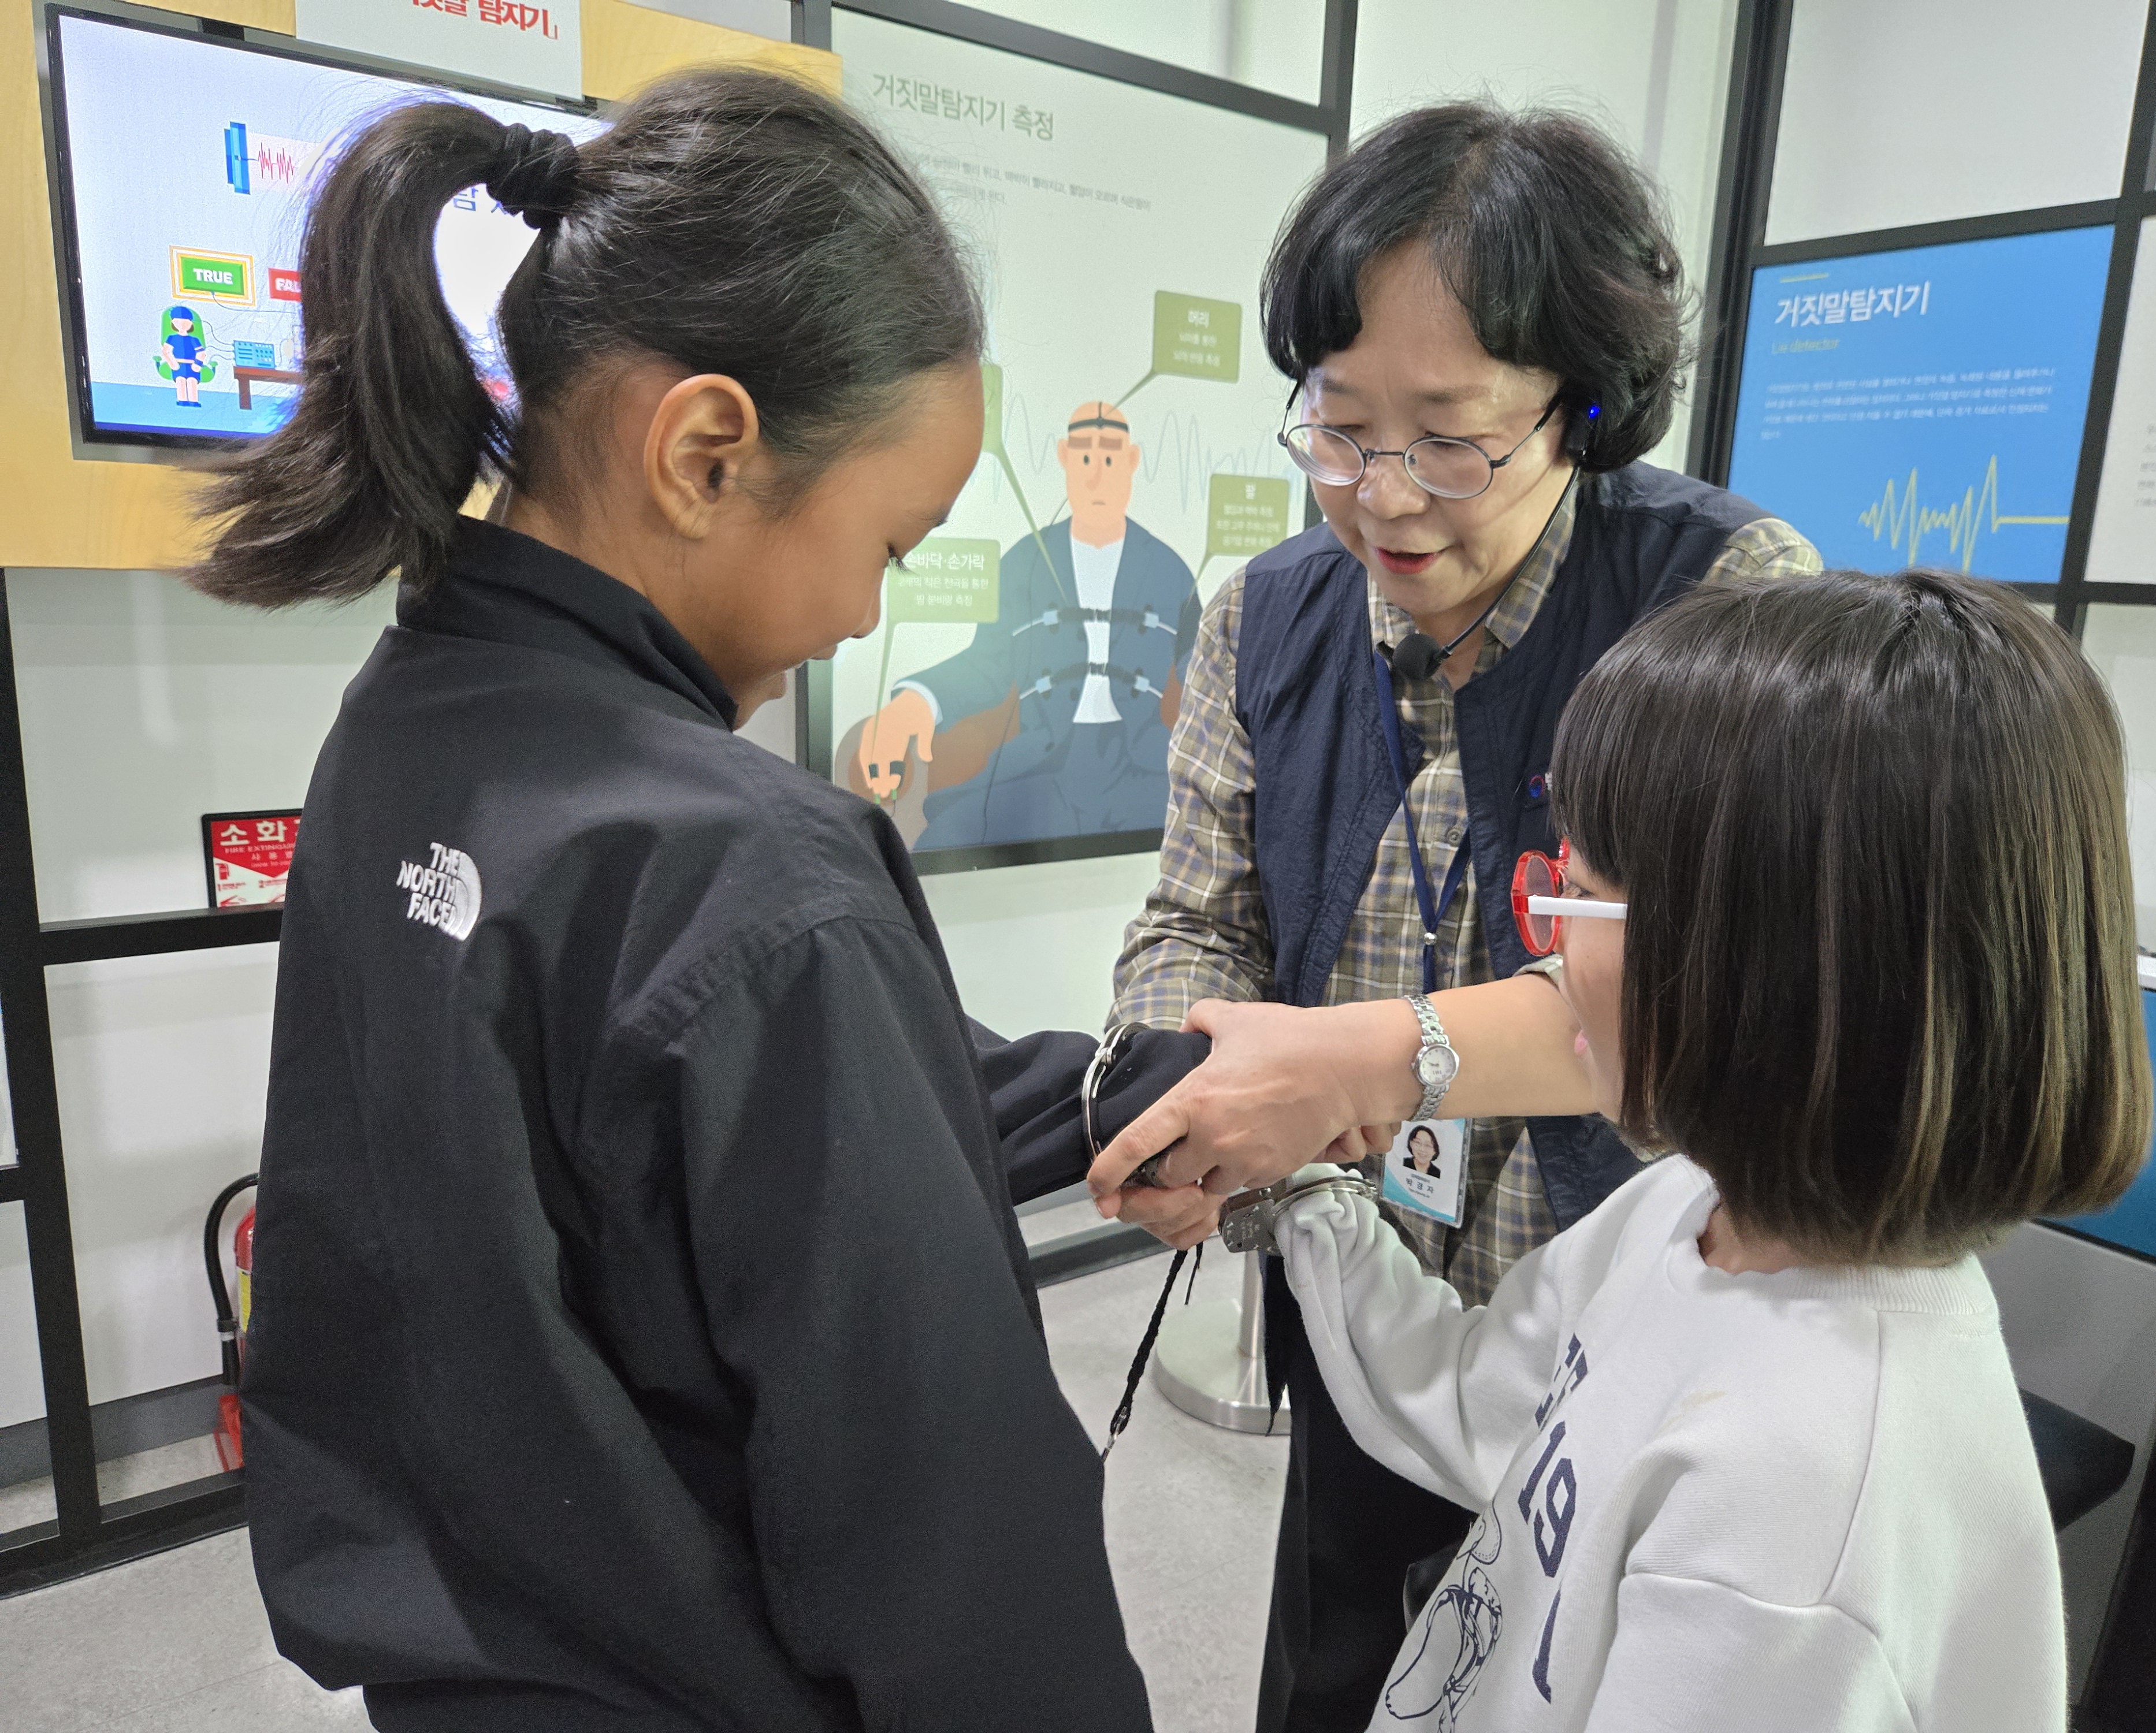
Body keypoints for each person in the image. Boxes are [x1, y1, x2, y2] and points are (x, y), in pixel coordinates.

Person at [195, 76, 1224, 1731]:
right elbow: (944, 1520)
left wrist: (1164, 1079)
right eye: (891, 544)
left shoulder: (404, 727)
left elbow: (728, 1111)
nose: (864, 616)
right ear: (704, 453)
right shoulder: (758, 867)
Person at [1105, 567, 2152, 1729]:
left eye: (1576, 899)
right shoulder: (1689, 1212)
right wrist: (1307, 1187)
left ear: (1767, 964)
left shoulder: (1790, 1531)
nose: (1545, 953)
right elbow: (1482, 1399)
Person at [1103, 101, 1821, 1730]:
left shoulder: (1719, 603)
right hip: (1356, 1292)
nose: (1385, 497)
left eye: (1451, 439)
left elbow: (1710, 994)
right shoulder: (1262, 620)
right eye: (1340, 427)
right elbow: (1194, 923)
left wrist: (1364, 1061)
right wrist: (1181, 1089)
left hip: (1626, 1328)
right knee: (1340, 1665)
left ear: (1582, 407)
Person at [854, 399, 1200, 847]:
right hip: (1041, 765)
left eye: (1111, 460)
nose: (1097, 477)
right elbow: (987, 664)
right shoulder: (1024, 562)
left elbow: (1203, 666)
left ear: (1132, 462)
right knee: (940, 840)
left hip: (1141, 767)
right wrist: (915, 702)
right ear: (1064, 458)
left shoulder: (1170, 568)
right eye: (1086, 459)